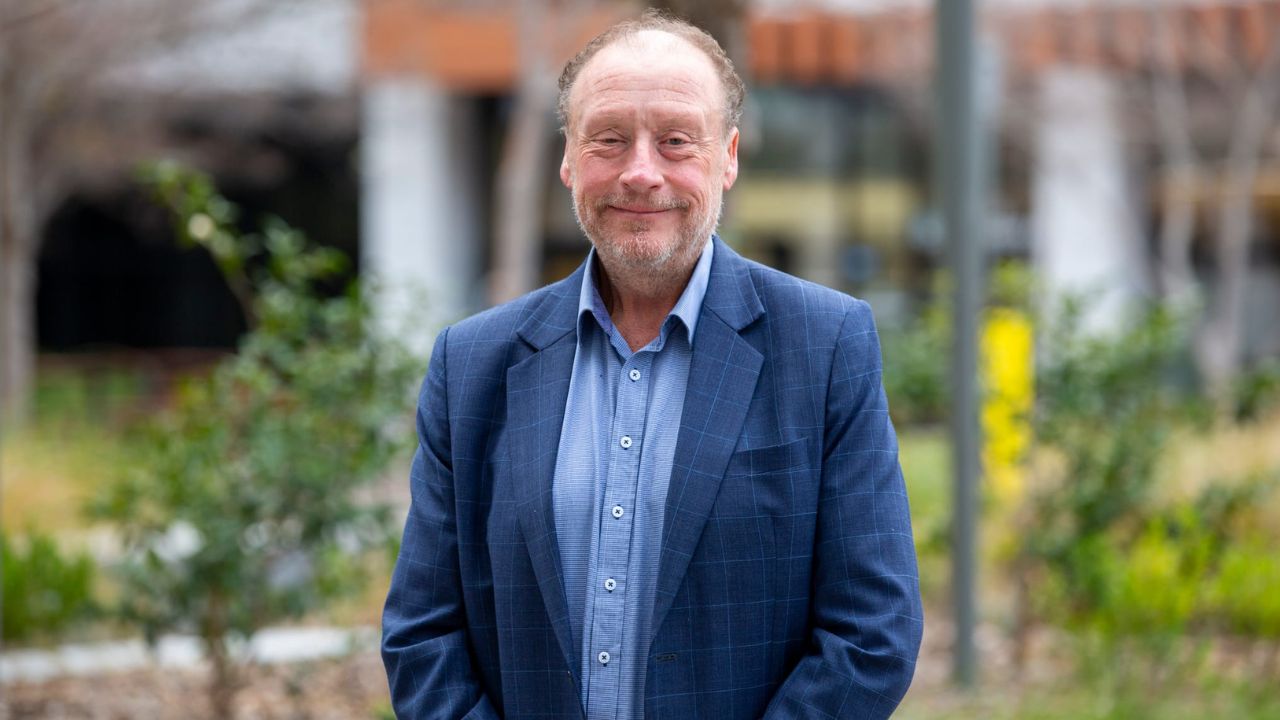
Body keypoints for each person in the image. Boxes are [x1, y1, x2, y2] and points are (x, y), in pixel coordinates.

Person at [382, 10, 922, 719]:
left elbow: (871, 635)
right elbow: (424, 634)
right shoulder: (473, 365)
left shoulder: (825, 346)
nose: (641, 172)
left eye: (675, 141)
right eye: (609, 139)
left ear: (727, 156)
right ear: (569, 159)